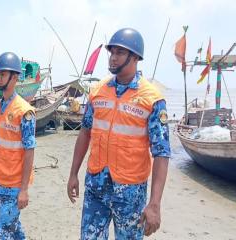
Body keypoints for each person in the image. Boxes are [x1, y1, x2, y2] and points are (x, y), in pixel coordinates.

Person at [67, 28, 171, 239]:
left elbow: (162, 152)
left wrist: (155, 204)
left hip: (130, 193)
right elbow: (85, 133)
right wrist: (73, 174)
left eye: (119, 53)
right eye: (112, 52)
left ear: (135, 57)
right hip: (96, 185)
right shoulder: (97, 91)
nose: (113, 57)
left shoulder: (152, 99)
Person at [0, 52, 36, 239]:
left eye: (3, 74)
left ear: (14, 77)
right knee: (13, 228)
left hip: (15, 184)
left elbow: (29, 151)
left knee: (2, 233)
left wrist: (24, 190)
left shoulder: (24, 112)